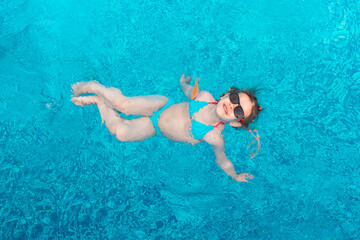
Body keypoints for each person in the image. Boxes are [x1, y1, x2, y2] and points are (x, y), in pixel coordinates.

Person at [70, 74, 262, 182]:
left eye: (238, 112)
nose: (232, 105)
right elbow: (189, 92)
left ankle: (99, 102)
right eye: (235, 98)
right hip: (162, 105)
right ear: (227, 94)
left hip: (155, 128)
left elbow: (223, 160)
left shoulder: (215, 137)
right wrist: (183, 84)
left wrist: (234, 175)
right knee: (124, 104)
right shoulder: (204, 96)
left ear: (237, 123)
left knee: (120, 133)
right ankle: (94, 87)